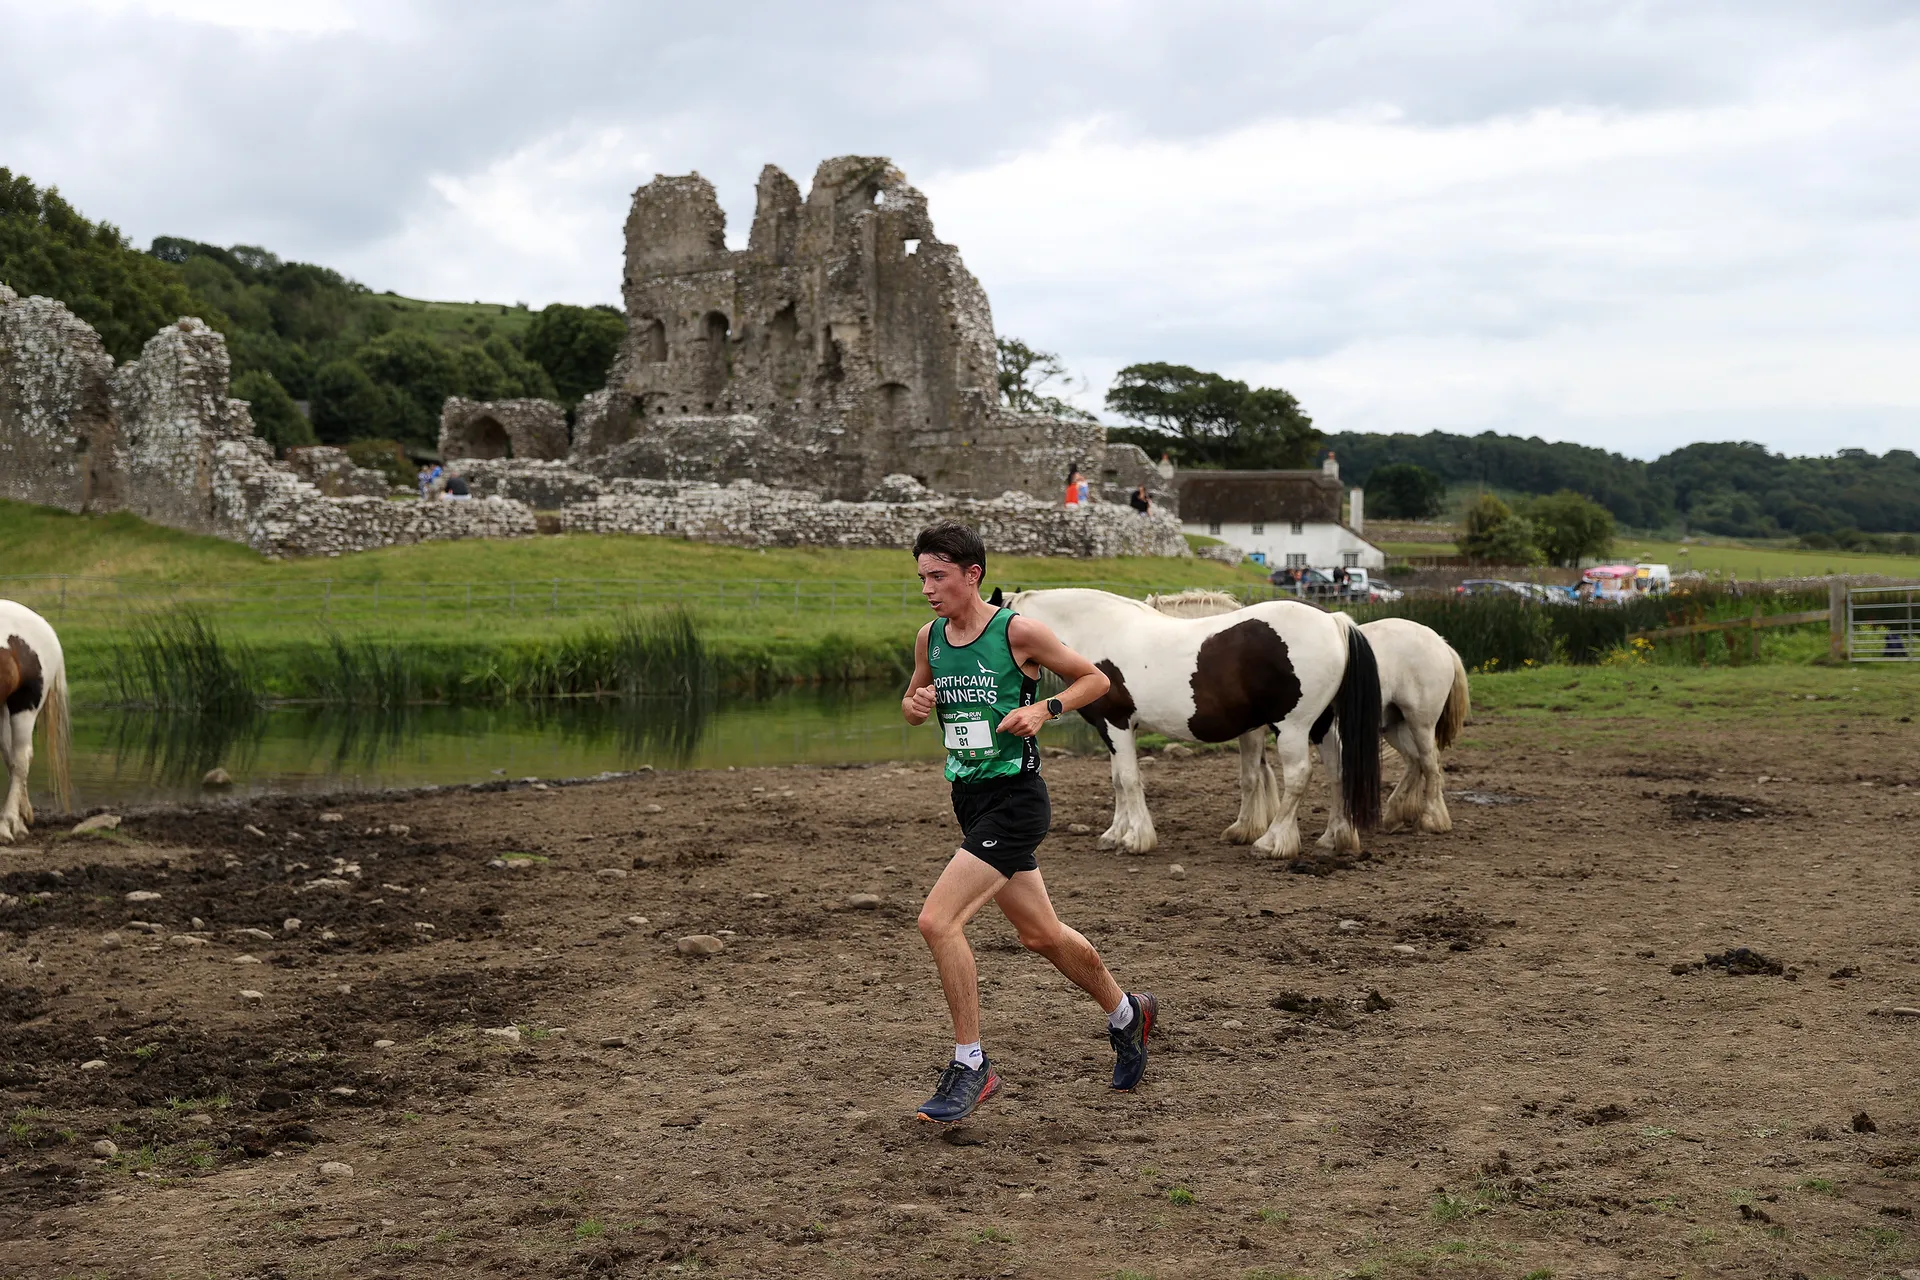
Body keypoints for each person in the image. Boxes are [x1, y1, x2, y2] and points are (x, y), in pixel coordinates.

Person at [902, 520, 1157, 1122]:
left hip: (1018, 798)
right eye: (921, 578)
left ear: (973, 575)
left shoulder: (1017, 631)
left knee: (938, 922)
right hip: (969, 799)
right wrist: (915, 705)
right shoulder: (929, 638)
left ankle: (972, 1064)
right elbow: (916, 707)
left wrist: (1044, 709)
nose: (928, 589)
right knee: (1040, 934)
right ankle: (1127, 1014)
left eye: (939, 576)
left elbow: (1095, 679)